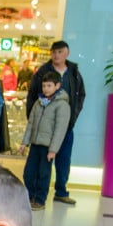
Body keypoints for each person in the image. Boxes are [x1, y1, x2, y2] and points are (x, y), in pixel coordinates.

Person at [26, 41, 85, 205]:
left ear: (67, 53)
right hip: (44, 128)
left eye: (60, 52)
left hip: (66, 126)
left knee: (63, 160)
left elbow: (81, 95)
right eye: (54, 52)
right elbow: (32, 95)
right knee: (41, 165)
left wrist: (72, 116)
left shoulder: (73, 72)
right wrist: (35, 120)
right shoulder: (43, 72)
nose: (56, 55)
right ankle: (36, 196)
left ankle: (61, 191)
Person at [19, 72, 70, 211]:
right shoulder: (39, 102)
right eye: (44, 86)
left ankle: (40, 200)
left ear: (57, 86)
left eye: (49, 86)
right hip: (35, 144)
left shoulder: (62, 105)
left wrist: (53, 149)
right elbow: (31, 124)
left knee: (43, 174)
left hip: (47, 148)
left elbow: (60, 130)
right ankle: (29, 197)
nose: (46, 89)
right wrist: (25, 142)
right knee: (29, 173)